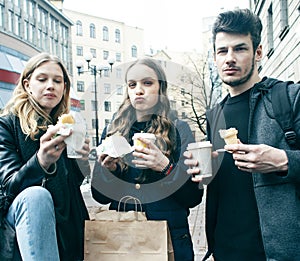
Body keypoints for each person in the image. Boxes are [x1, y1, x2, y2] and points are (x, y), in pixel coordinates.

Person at [184, 8, 300, 261]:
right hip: (225, 251)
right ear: (214, 57)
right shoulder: (214, 114)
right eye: (222, 51)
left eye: (240, 49)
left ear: (258, 52)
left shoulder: (289, 98)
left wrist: (283, 161)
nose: (230, 58)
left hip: (277, 254)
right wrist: (202, 173)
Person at [91, 58, 203, 261]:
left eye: (147, 83)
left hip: (170, 239)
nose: (138, 90)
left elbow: (193, 198)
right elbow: (99, 196)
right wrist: (111, 170)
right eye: (132, 85)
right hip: (123, 240)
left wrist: (165, 167)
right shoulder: (113, 131)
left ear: (161, 88)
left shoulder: (180, 130)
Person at [0, 53, 90, 260]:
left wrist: (82, 161)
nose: (51, 85)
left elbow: (73, 185)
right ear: (27, 84)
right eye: (42, 79)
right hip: (20, 229)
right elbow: (8, 187)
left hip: (66, 225)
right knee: (36, 196)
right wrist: (42, 161)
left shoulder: (67, 126)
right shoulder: (6, 125)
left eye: (58, 81)